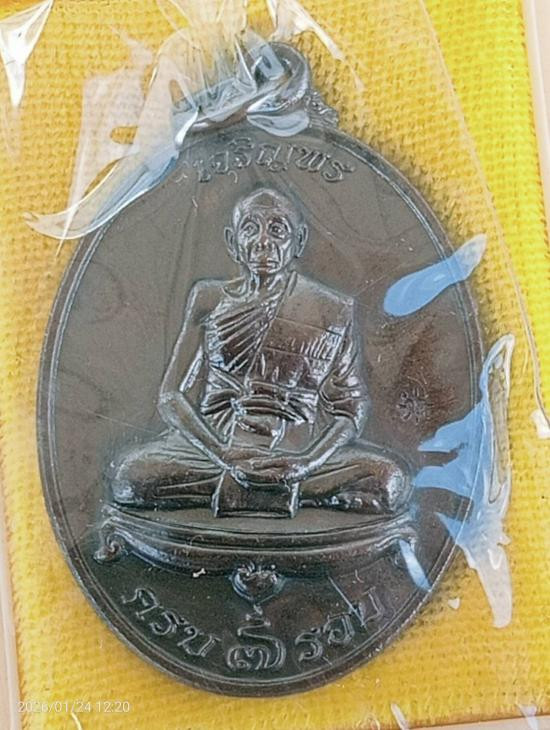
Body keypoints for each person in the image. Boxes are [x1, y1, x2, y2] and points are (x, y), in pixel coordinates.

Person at [111, 187, 411, 516]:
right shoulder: (209, 298)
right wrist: (221, 453)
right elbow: (171, 396)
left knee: (388, 480)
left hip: (295, 449)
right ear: (232, 242)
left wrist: (308, 462)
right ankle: (293, 492)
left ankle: (277, 482)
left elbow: (351, 407)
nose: (263, 241)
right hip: (215, 445)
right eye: (250, 228)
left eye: (277, 230)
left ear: (298, 241)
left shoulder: (331, 309)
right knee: (130, 477)